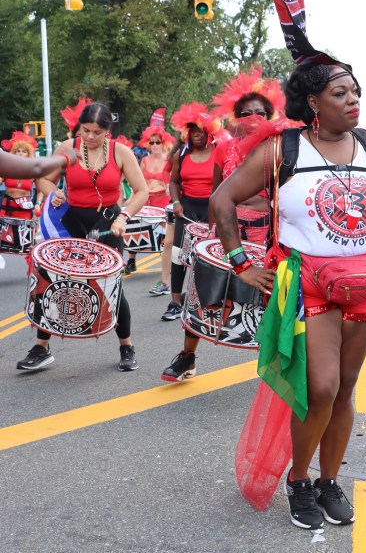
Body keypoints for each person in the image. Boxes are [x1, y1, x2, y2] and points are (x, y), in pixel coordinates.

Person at [210, 61, 366, 530]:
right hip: (309, 286)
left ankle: (330, 481)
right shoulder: (281, 151)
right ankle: (300, 480)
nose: (353, 101)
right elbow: (222, 200)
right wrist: (241, 264)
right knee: (321, 387)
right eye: (340, 94)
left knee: (346, 388)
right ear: (312, 102)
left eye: (356, 92)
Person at [16, 102, 149, 373]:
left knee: (112, 287)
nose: (90, 137)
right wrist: (55, 191)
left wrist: (124, 217)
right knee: (52, 280)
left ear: (107, 132)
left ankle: (126, 345)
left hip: (108, 222)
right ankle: (41, 347)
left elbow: (141, 190)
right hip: (71, 220)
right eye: (85, 130)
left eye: (97, 132)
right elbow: (42, 179)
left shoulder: (120, 152)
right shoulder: (67, 148)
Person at [159, 105, 224, 381]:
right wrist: (175, 202)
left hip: (211, 211)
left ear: (209, 132)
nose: (196, 135)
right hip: (186, 210)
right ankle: (176, 301)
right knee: (178, 256)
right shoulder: (181, 153)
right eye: (192, 130)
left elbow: (226, 185)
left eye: (201, 131)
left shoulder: (221, 151)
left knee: (206, 265)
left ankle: (208, 305)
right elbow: (174, 181)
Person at [211, 65, 286, 245]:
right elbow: (215, 193)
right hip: (227, 228)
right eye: (247, 114)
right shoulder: (223, 149)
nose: (254, 118)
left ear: (269, 116)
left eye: (260, 113)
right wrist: (211, 231)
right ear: (237, 118)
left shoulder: (279, 149)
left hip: (264, 230)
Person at [123, 126, 176, 296]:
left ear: (163, 143)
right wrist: (128, 204)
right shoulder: (144, 161)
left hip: (162, 199)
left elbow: (171, 182)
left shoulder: (169, 160)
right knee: (135, 226)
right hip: (146, 198)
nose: (154, 145)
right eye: (151, 142)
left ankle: (167, 270)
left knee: (163, 237)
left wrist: (171, 193)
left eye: (157, 142)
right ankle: (131, 260)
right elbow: (137, 183)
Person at [0, 132, 44, 219]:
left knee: (24, 232)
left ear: (28, 154)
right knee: (6, 232)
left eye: (24, 151)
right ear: (14, 153)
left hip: (24, 208)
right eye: (18, 151)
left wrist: (38, 203)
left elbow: (40, 191)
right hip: (7, 207)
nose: (20, 153)